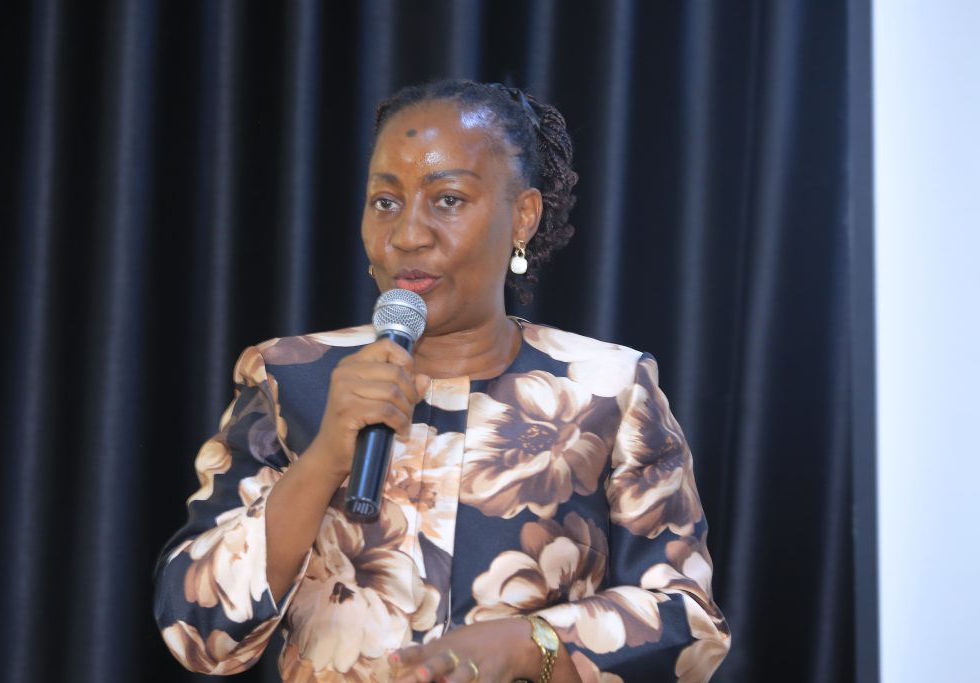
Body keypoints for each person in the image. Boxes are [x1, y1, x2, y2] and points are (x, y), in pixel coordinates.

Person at [153, 79, 730, 683]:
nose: (407, 235)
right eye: (385, 201)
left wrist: (532, 643)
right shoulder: (287, 377)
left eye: (448, 200)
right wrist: (325, 456)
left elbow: (688, 625)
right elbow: (200, 631)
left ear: (523, 217)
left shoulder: (609, 388)